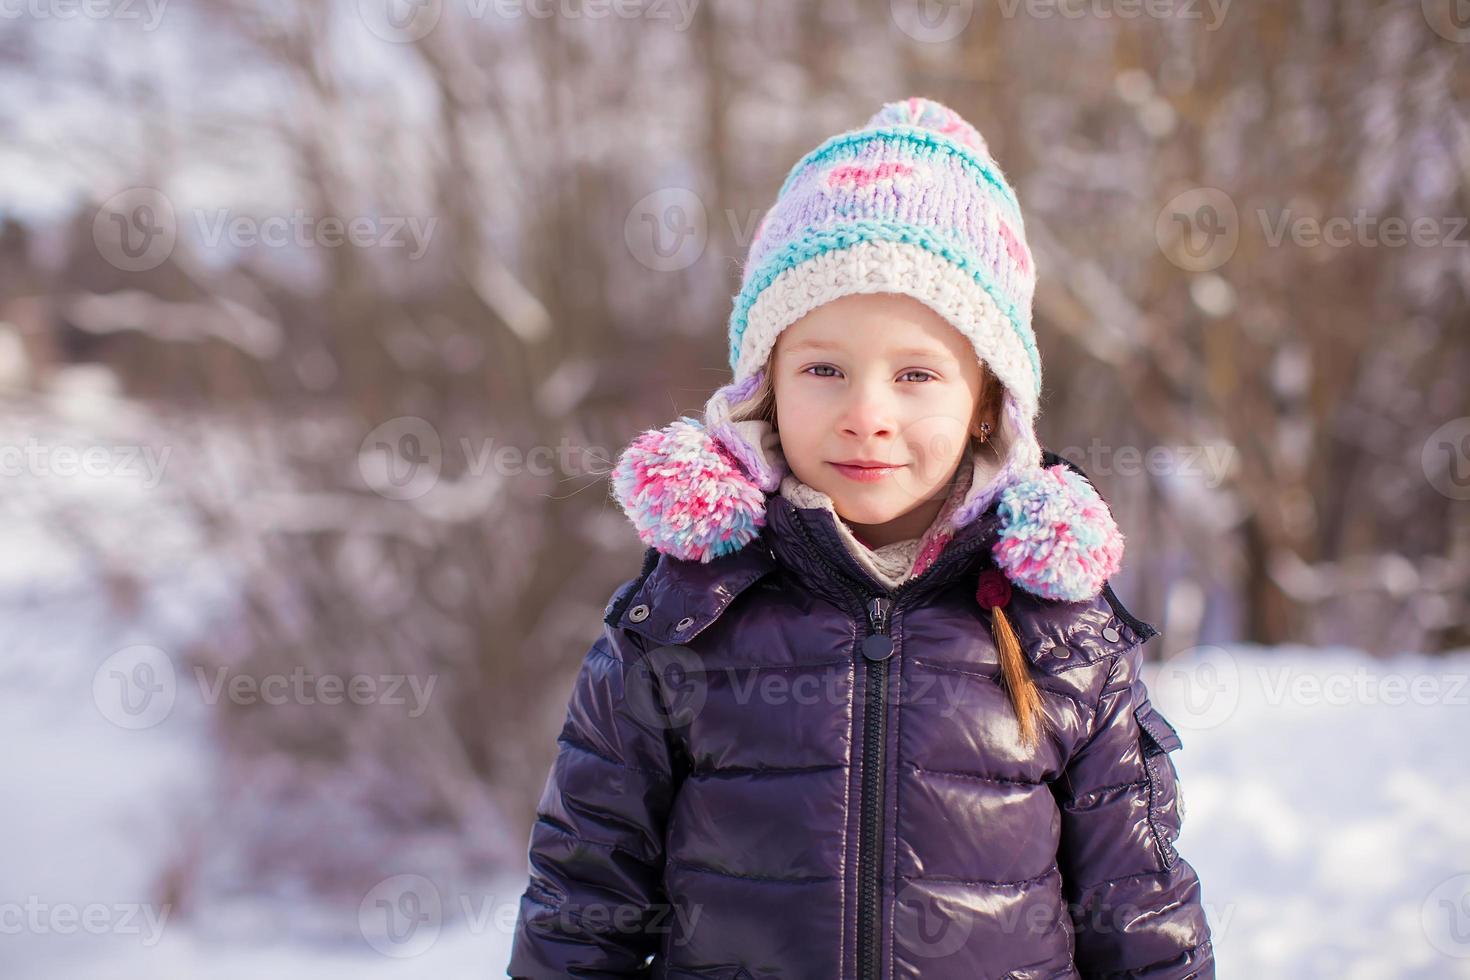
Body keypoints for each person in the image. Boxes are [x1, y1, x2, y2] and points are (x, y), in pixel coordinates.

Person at [506, 96, 1214, 979]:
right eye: (824, 369)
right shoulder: (681, 615)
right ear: (766, 384)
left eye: (916, 374)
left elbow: (1140, 915)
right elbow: (583, 906)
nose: (867, 416)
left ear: (989, 401)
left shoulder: (1063, 631)